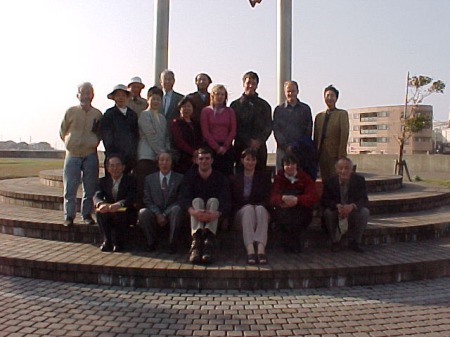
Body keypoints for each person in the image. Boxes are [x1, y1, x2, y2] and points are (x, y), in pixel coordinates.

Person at [59, 82, 102, 227]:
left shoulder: (97, 114)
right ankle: (69, 216)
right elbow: (62, 131)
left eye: (88, 92)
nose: (86, 95)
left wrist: (93, 142)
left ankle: (86, 214)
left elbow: (99, 133)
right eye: (83, 92)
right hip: (72, 154)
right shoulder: (70, 111)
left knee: (89, 187)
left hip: (90, 153)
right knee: (70, 187)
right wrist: (70, 142)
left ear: (93, 95)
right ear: (78, 95)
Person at [180, 147, 231, 265]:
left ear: (212, 160)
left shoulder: (220, 178)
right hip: (195, 215)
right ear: (196, 161)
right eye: (201, 158)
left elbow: (226, 200)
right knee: (196, 201)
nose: (204, 161)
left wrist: (216, 214)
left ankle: (209, 242)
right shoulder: (189, 177)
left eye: (207, 158)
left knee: (214, 201)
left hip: (214, 216)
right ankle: (197, 243)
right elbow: (184, 198)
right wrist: (193, 212)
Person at [270, 154, 319, 253]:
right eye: (287, 164)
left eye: (293, 164)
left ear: (297, 165)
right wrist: (282, 198)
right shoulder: (279, 178)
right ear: (283, 166)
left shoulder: (305, 178)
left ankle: (295, 244)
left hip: (301, 211)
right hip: (283, 211)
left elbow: (313, 196)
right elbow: (272, 197)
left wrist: (297, 200)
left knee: (298, 217)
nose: (290, 167)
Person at [231, 148, 271, 265]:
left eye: (253, 160)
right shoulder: (234, 179)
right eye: (247, 159)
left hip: (260, 212)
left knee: (260, 209)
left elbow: (267, 199)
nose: (250, 162)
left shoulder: (263, 178)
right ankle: (250, 250)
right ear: (242, 161)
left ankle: (260, 249)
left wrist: (256, 206)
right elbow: (232, 201)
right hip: (241, 214)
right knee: (248, 209)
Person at [138, 152, 184, 254]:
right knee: (143, 212)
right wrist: (158, 213)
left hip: (171, 212)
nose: (164, 163)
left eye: (167, 160)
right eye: (162, 160)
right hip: (155, 213)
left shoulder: (180, 178)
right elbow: (147, 199)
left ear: (172, 163)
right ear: (157, 163)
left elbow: (180, 199)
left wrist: (164, 214)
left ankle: (172, 243)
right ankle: (151, 242)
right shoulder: (149, 179)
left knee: (177, 209)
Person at [321, 157, 369, 253]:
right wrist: (336, 206)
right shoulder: (330, 182)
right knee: (328, 213)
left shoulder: (359, 180)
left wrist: (352, 206)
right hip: (336, 211)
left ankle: (356, 242)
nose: (343, 171)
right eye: (340, 168)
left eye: (347, 168)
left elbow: (364, 199)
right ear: (336, 170)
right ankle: (334, 242)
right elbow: (325, 200)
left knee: (364, 212)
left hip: (351, 211)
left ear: (352, 169)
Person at [230, 71, 272, 172]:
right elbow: (233, 127)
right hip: (241, 147)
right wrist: (248, 141)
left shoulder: (264, 105)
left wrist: (259, 141)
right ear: (243, 84)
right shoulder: (235, 105)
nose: (250, 86)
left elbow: (269, 126)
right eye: (248, 83)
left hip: (259, 148)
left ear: (257, 85)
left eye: (253, 83)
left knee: (260, 177)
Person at [94, 155, 136, 252]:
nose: (115, 168)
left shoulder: (131, 180)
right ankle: (107, 241)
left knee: (120, 214)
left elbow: (131, 197)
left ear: (123, 167)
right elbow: (96, 195)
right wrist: (100, 204)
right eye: (112, 166)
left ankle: (119, 243)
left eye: (118, 165)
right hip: (109, 210)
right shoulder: (103, 181)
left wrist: (120, 204)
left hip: (126, 211)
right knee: (100, 212)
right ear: (108, 168)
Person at [135, 86, 170, 205]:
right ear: (148, 99)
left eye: (158, 99)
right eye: (153, 99)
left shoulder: (162, 118)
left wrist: (165, 152)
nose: (156, 102)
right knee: (143, 186)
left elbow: (166, 136)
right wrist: (161, 153)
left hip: (159, 158)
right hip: (146, 156)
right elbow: (151, 135)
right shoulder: (144, 115)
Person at [273, 80, 314, 172]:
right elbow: (276, 129)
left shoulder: (305, 109)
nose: (291, 93)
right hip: (283, 151)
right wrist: (285, 146)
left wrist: (297, 145)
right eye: (288, 91)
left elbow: (308, 129)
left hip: (300, 150)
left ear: (297, 91)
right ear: (285, 92)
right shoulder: (279, 110)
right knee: (281, 177)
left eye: (293, 91)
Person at [101, 84, 139, 175]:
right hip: (113, 158)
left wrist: (132, 153)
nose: (121, 98)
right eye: (118, 95)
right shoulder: (109, 114)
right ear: (114, 98)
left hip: (129, 158)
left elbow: (136, 136)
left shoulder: (132, 115)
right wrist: (113, 155)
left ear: (127, 97)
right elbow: (106, 137)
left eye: (123, 95)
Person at [313, 85, 349, 181]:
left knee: (336, 181)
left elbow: (344, 136)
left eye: (332, 96)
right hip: (322, 156)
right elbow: (316, 137)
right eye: (327, 95)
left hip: (335, 155)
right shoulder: (319, 117)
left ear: (336, 98)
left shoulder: (342, 114)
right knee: (325, 182)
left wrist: (341, 156)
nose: (329, 98)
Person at [200, 84, 237, 176]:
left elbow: (233, 130)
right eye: (217, 94)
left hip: (226, 148)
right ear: (212, 96)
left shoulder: (230, 111)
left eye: (222, 94)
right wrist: (216, 147)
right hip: (210, 148)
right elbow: (205, 132)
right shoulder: (206, 111)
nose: (220, 97)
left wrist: (225, 146)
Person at [170, 96, 203, 173]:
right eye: (184, 106)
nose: (186, 109)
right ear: (179, 109)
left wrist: (198, 152)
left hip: (197, 158)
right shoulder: (176, 123)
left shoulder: (196, 123)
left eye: (189, 106)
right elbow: (179, 141)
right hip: (181, 157)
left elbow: (200, 139)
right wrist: (192, 152)